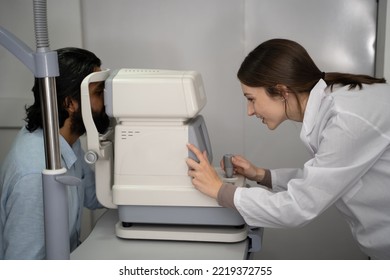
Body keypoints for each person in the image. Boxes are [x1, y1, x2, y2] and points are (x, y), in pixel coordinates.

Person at [186, 38, 390, 259]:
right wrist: (261, 175)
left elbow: (298, 206)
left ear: (282, 91)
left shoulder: (346, 119)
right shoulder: (338, 101)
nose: (250, 111)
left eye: (251, 99)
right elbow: (325, 176)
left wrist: (220, 191)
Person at [0, 47, 109, 259]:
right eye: (98, 93)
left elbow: (94, 195)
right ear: (69, 104)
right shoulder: (34, 176)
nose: (106, 101)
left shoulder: (63, 140)